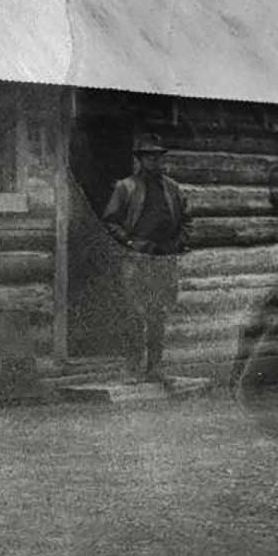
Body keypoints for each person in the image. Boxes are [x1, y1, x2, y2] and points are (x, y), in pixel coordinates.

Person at [100, 133, 191, 382]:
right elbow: (110, 222)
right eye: (150, 157)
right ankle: (132, 368)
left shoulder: (173, 189)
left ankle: (155, 368)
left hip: (164, 259)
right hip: (137, 259)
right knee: (134, 313)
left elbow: (187, 222)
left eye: (159, 157)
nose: (155, 162)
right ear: (140, 160)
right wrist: (129, 243)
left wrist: (178, 244)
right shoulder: (125, 187)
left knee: (158, 315)